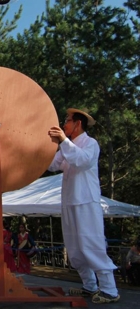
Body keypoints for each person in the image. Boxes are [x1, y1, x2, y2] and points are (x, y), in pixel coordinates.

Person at [48, 108, 120, 303]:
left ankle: (110, 290)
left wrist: (63, 141)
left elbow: (81, 161)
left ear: (77, 124)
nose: (64, 124)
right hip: (70, 202)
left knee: (92, 244)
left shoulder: (90, 144)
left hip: (86, 201)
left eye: (67, 120)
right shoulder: (67, 146)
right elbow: (52, 164)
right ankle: (90, 286)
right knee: (74, 248)